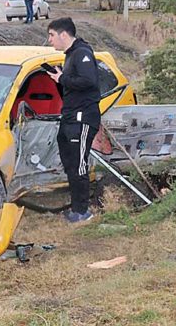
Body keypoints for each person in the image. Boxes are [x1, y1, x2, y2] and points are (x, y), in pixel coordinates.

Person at [45, 17, 101, 223]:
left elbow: (89, 81)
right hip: (69, 116)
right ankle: (76, 206)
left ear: (64, 35)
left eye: (51, 35)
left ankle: (83, 211)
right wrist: (59, 78)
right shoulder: (70, 56)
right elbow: (72, 86)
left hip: (83, 117)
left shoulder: (82, 53)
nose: (49, 40)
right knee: (69, 161)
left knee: (79, 164)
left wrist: (63, 79)